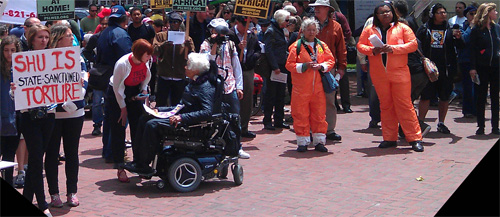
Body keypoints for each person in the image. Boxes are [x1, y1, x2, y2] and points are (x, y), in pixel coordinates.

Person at [123, 53, 217, 174]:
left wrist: (181, 117)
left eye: (188, 66)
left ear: (196, 70)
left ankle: (144, 164)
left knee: (152, 125)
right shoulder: (193, 84)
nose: (185, 67)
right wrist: (159, 110)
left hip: (190, 124)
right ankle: (138, 160)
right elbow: (181, 106)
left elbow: (207, 112)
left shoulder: (204, 87)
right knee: (144, 119)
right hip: (182, 118)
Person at [357, 3, 424, 152]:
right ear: (377, 15)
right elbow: (360, 46)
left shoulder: (403, 28)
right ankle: (389, 138)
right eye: (382, 13)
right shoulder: (370, 30)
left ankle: (415, 138)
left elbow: (413, 45)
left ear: (393, 13)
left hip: (400, 73)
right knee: (386, 105)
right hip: (379, 74)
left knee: (405, 105)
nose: (386, 14)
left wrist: (393, 49)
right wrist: (372, 50)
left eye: (388, 11)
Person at [44, 24, 87, 208]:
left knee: (72, 153)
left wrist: (77, 95)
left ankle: (72, 192)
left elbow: (84, 79)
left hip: (74, 112)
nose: (72, 38)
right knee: (52, 154)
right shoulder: (44, 59)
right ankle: (54, 193)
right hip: (52, 114)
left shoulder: (77, 56)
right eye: (69, 35)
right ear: (58, 38)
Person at [15, 24, 53, 217]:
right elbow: (17, 92)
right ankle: (43, 203)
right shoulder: (22, 60)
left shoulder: (55, 59)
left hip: (49, 115)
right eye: (40, 37)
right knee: (37, 160)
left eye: (46, 37)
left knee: (38, 159)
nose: (44, 41)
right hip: (29, 116)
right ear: (31, 39)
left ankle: (29, 197)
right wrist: (15, 90)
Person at [200, 18, 249, 159]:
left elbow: (236, 67)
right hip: (213, 87)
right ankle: (216, 147)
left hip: (230, 86)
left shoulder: (231, 44)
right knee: (215, 120)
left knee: (235, 119)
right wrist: (214, 45)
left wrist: (239, 86)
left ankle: (236, 147)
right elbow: (206, 62)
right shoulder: (206, 44)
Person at [286, 18, 335, 152]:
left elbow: (330, 60)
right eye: (309, 30)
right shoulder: (296, 46)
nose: (311, 32)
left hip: (318, 88)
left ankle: (319, 141)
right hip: (301, 88)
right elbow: (289, 65)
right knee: (300, 114)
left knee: (319, 115)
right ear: (303, 31)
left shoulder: (322, 45)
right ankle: (303, 141)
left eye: (314, 30)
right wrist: (304, 66)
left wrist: (321, 66)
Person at [105, 39, 152, 183]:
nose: (149, 58)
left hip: (134, 92)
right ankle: (120, 166)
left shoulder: (146, 61)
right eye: (147, 55)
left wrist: (143, 92)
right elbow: (118, 89)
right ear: (138, 53)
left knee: (138, 128)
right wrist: (122, 108)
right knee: (119, 127)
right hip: (117, 94)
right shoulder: (122, 64)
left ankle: (139, 163)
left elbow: (146, 78)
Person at [416, 3, 464, 135]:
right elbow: (416, 47)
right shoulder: (425, 29)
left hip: (445, 69)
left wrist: (459, 38)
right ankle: (420, 123)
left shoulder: (450, 29)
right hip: (428, 71)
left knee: (444, 97)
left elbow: (461, 46)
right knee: (425, 97)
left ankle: (441, 123)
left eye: (444, 12)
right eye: (440, 13)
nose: (443, 15)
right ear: (433, 15)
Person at [97, 5, 132, 164]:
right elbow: (127, 61)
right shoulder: (121, 35)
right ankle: (113, 152)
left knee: (109, 116)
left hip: (106, 78)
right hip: (118, 81)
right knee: (119, 117)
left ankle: (108, 150)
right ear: (124, 19)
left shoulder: (104, 33)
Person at [309, 0, 346, 141]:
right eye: (315, 7)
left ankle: (329, 130)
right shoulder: (308, 25)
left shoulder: (336, 26)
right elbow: (298, 44)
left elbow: (341, 48)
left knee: (330, 100)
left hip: (329, 68)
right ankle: (312, 129)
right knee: (312, 100)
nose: (316, 10)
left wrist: (341, 67)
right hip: (310, 68)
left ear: (327, 9)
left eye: (319, 7)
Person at [228, 16, 262, 139]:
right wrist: (238, 48)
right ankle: (232, 128)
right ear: (237, 22)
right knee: (232, 98)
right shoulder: (230, 34)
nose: (246, 27)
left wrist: (253, 57)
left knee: (247, 99)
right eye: (244, 24)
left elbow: (258, 49)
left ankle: (244, 127)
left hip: (247, 70)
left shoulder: (251, 35)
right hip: (233, 70)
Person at [469, 3, 499, 135]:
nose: (496, 13)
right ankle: (481, 126)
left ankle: (495, 126)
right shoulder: (477, 30)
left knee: (495, 97)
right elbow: (472, 50)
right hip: (482, 67)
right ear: (487, 13)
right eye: (494, 11)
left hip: (496, 66)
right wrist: (473, 67)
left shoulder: (496, 28)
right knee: (481, 96)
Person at [153, 12, 195, 107]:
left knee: (177, 105)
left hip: (179, 76)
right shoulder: (160, 36)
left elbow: (192, 57)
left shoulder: (187, 38)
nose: (174, 24)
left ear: (180, 23)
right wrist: (163, 46)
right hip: (164, 75)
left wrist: (189, 47)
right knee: (161, 103)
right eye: (171, 22)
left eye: (176, 22)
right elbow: (154, 51)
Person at [261, 9, 291, 131]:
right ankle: (267, 120)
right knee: (271, 95)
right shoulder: (271, 31)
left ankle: (279, 119)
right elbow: (268, 50)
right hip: (274, 67)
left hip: (282, 66)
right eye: (286, 20)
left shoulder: (280, 30)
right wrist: (275, 66)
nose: (288, 23)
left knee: (280, 94)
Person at [83, 16, 109, 136]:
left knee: (110, 101)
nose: (104, 26)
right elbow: (86, 51)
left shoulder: (113, 37)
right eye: (102, 24)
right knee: (97, 102)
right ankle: (97, 124)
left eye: (107, 24)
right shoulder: (96, 37)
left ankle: (110, 124)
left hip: (111, 73)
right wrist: (96, 60)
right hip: (98, 73)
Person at [0, 36, 21, 187]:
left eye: (12, 50)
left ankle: (9, 180)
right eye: (6, 50)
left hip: (15, 117)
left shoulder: (22, 68)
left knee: (9, 153)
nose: (9, 54)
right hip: (1, 115)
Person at [458, 6, 478, 119]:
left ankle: (476, 109)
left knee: (477, 86)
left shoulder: (480, 27)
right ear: (466, 15)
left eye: (476, 13)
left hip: (478, 61)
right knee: (468, 87)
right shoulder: (463, 27)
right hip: (466, 60)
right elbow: (464, 39)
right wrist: (471, 27)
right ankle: (468, 110)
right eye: (471, 14)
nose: (474, 16)